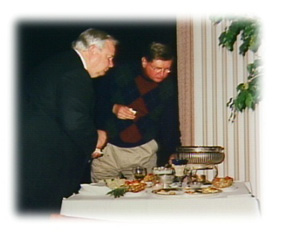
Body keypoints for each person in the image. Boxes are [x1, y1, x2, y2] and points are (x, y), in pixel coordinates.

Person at [18, 28, 117, 214]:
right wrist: (96, 141)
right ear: (94, 50)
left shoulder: (57, 63)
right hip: (44, 165)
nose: (111, 64)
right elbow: (75, 121)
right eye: (109, 57)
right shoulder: (75, 73)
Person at [91, 42, 181, 181]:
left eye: (167, 69)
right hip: (108, 150)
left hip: (143, 153)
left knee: (143, 199)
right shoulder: (120, 73)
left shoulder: (168, 87)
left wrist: (172, 150)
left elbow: (170, 123)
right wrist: (114, 108)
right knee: (100, 198)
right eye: (157, 68)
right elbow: (95, 102)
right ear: (144, 62)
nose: (162, 74)